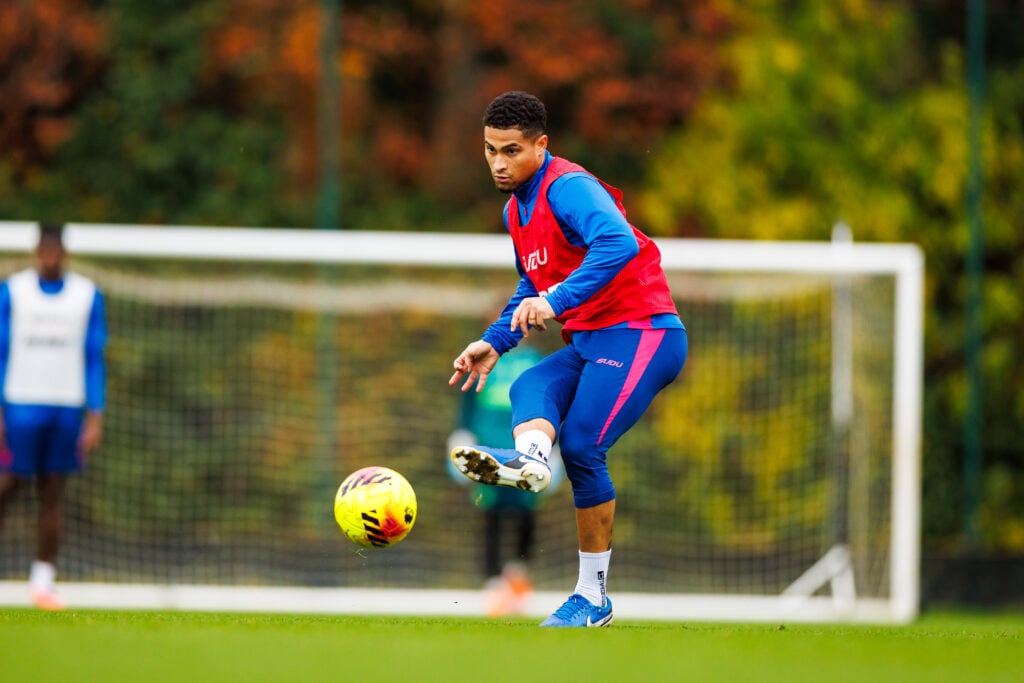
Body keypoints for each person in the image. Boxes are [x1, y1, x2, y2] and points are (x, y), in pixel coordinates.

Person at [448, 91, 688, 627]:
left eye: (511, 150)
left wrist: (553, 302)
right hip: (592, 342)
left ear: (541, 146)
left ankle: (592, 598)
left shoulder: (570, 186)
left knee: (582, 443)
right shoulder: (516, 209)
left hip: (643, 332)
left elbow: (617, 242)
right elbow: (532, 285)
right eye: (490, 150)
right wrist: (495, 340)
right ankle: (532, 459)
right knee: (527, 386)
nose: (498, 163)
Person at [0, 223, 107, 610]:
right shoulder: (13, 292)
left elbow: (94, 357)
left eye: (56, 248)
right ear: (36, 251)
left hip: (65, 407)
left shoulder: (86, 295)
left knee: (53, 493)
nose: (50, 255)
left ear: (63, 251)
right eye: (44, 248)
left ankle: (43, 581)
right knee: (7, 485)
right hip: (19, 405)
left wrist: (95, 415)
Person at [446, 344, 563, 617]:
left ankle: (517, 576)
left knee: (527, 514)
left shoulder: (538, 362)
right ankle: (494, 586)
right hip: (488, 453)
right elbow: (468, 402)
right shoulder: (481, 359)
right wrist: (462, 433)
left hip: (527, 452)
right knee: (491, 517)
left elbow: (554, 401)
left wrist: (553, 447)